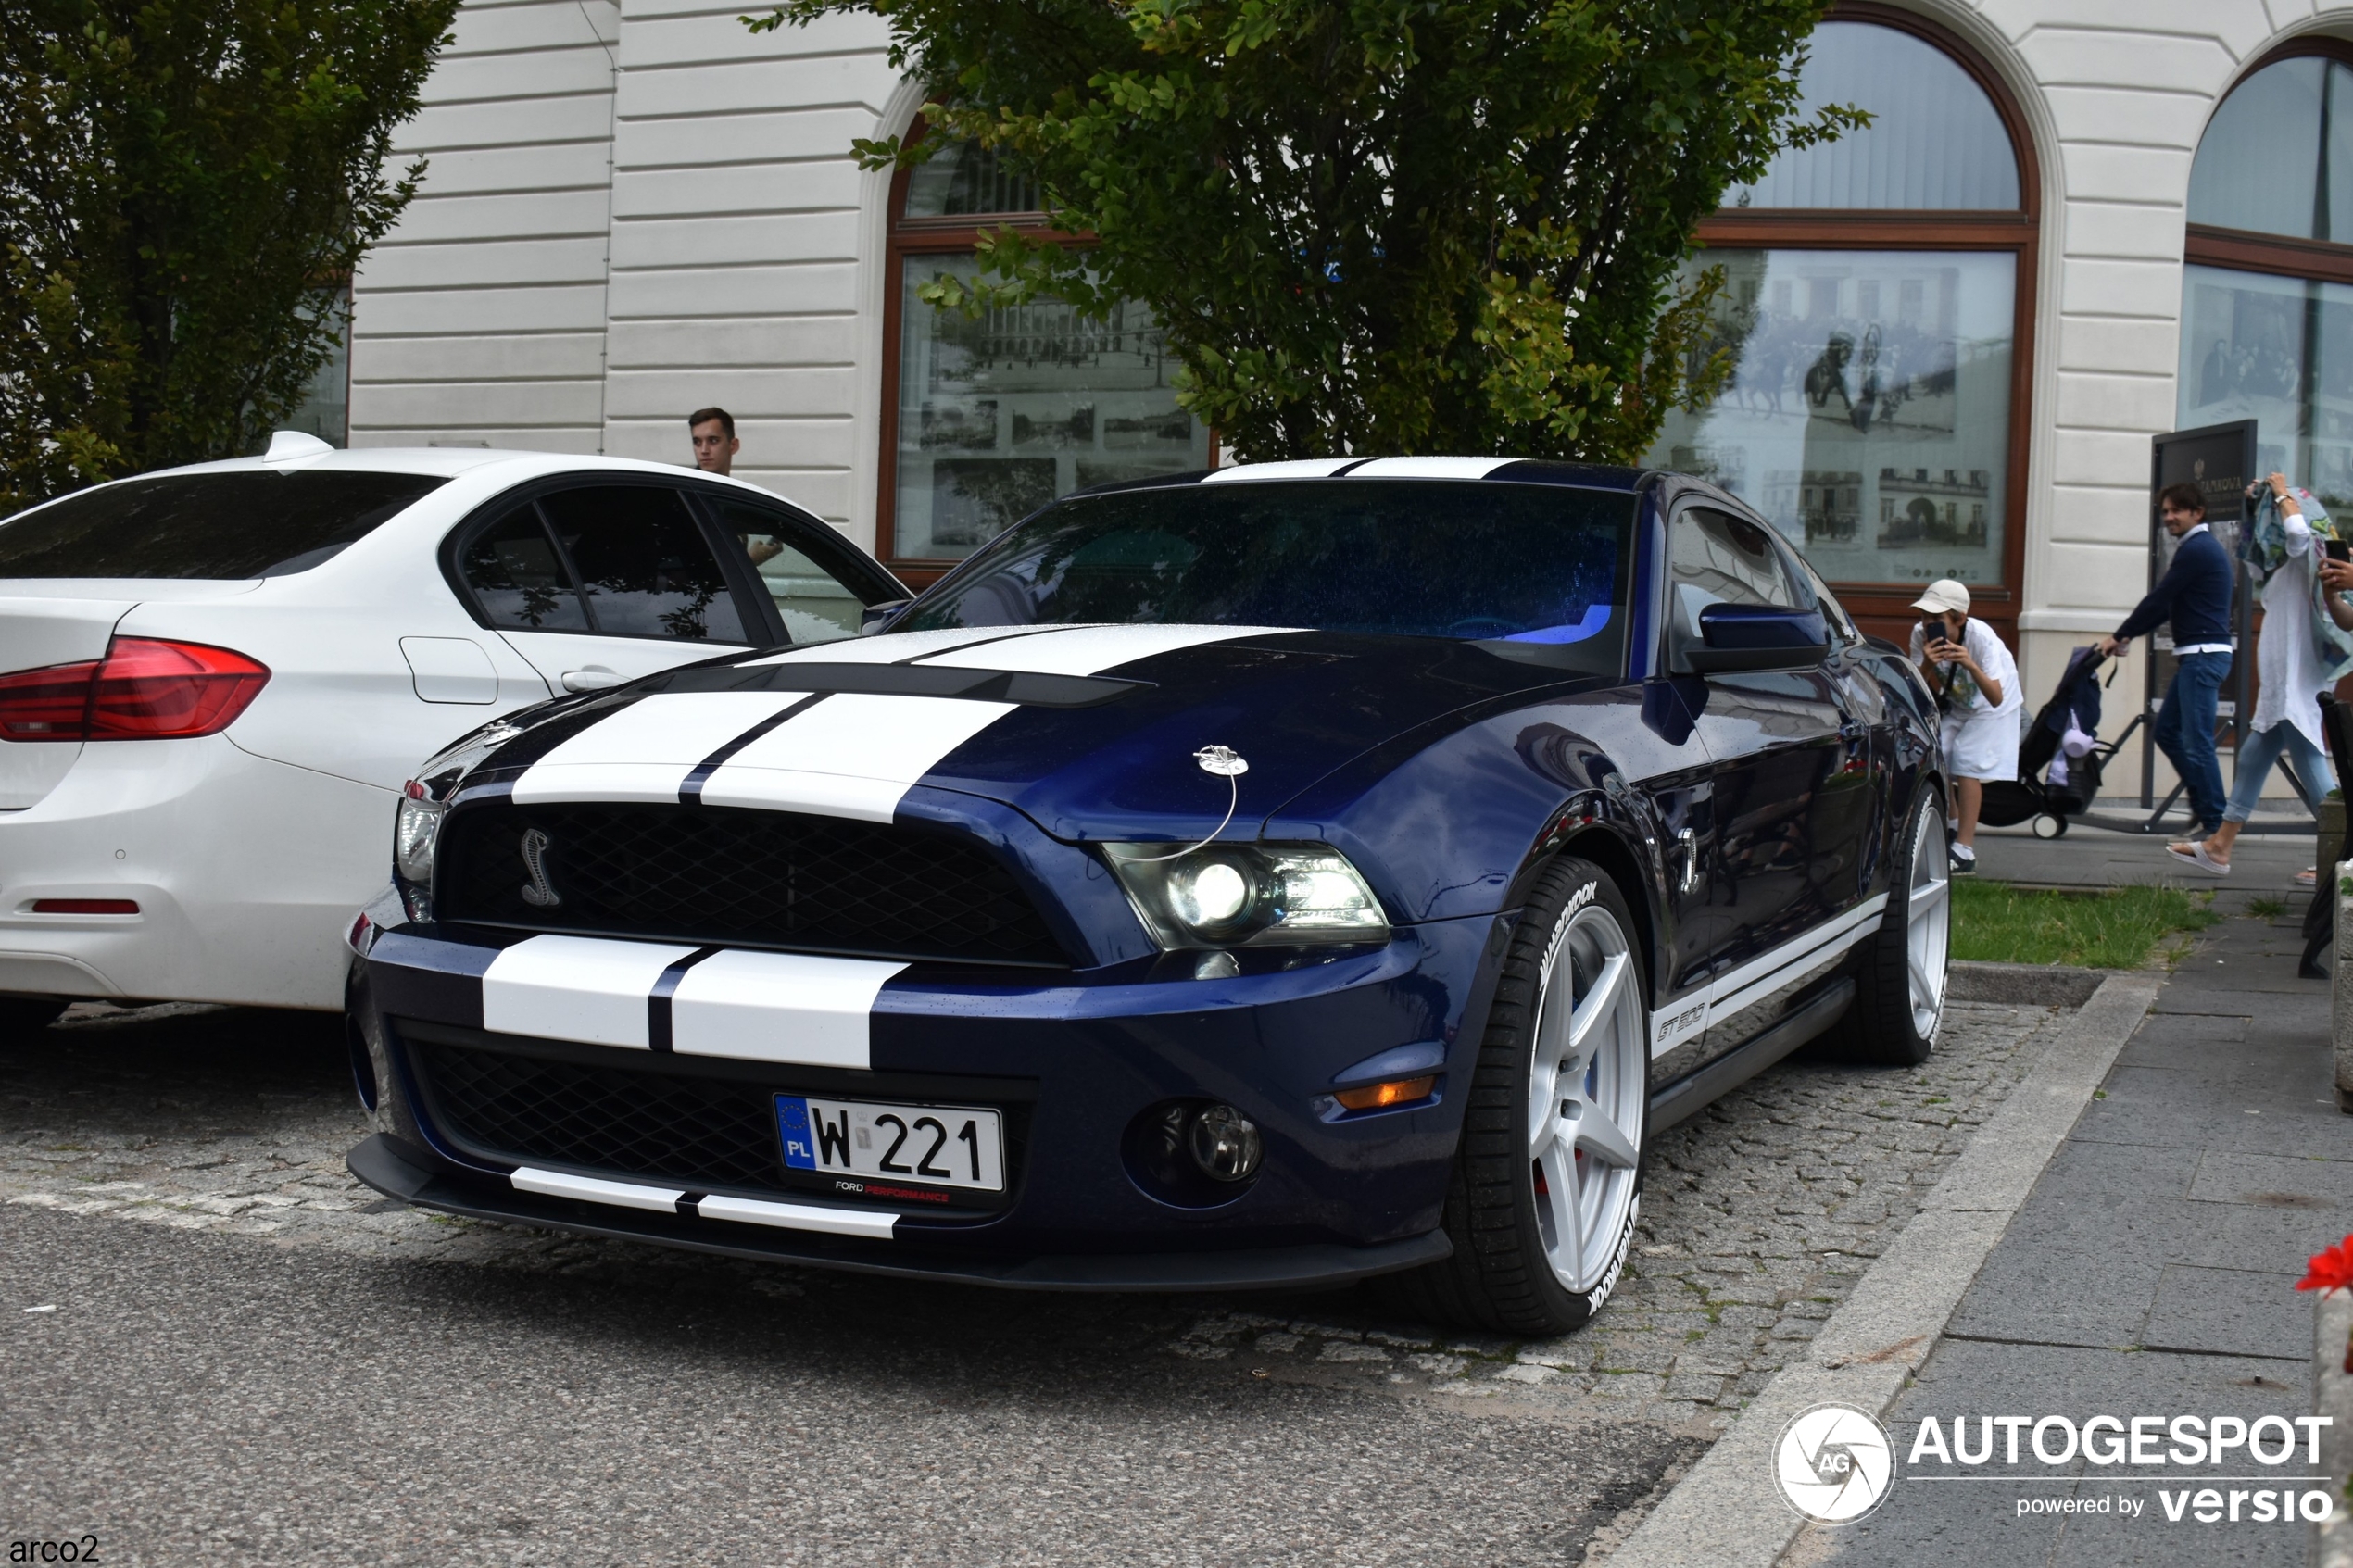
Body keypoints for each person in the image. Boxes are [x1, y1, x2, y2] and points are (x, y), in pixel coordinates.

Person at [2169, 472, 2353, 876]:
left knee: (2307, 756)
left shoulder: (2308, 549)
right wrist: (2259, 500)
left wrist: (2281, 491)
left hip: (2297, 673)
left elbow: (2296, 531)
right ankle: (2220, 844)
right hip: (2284, 672)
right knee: (2255, 753)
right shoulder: (2289, 564)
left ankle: (2344, 855)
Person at [2096, 482, 2235, 846]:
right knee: (2167, 732)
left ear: (2197, 512)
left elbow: (2159, 600)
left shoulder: (2198, 549)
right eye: (2165, 512)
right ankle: (2204, 807)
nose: (2169, 517)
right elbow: (2166, 605)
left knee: (2197, 742)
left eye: (2176, 510)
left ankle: (2213, 820)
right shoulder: (2197, 549)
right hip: (2198, 655)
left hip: (2203, 656)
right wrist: (2129, 635)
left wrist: (2119, 635)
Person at [1908, 579, 2020, 875]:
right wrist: (1928, 666)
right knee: (1938, 753)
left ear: (1959, 619)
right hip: (1959, 705)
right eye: (1924, 616)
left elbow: (1996, 697)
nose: (1927, 624)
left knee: (1968, 762)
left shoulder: (1982, 638)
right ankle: (1953, 826)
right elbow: (1916, 689)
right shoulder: (1920, 636)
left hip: (1992, 708)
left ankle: (1965, 850)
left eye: (1937, 619)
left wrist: (1970, 664)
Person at [689, 407, 738, 476]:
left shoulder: (736, 486)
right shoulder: (680, 485)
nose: (704, 450)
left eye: (713, 441)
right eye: (697, 442)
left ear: (733, 446)